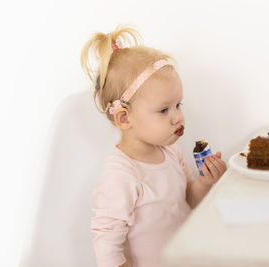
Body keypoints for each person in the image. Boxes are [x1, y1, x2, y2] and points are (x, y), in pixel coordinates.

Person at [80, 24, 227, 267]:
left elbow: (187, 201)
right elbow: (106, 244)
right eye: (163, 110)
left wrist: (204, 182)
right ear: (125, 118)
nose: (177, 117)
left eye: (178, 105)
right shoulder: (121, 175)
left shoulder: (171, 153)